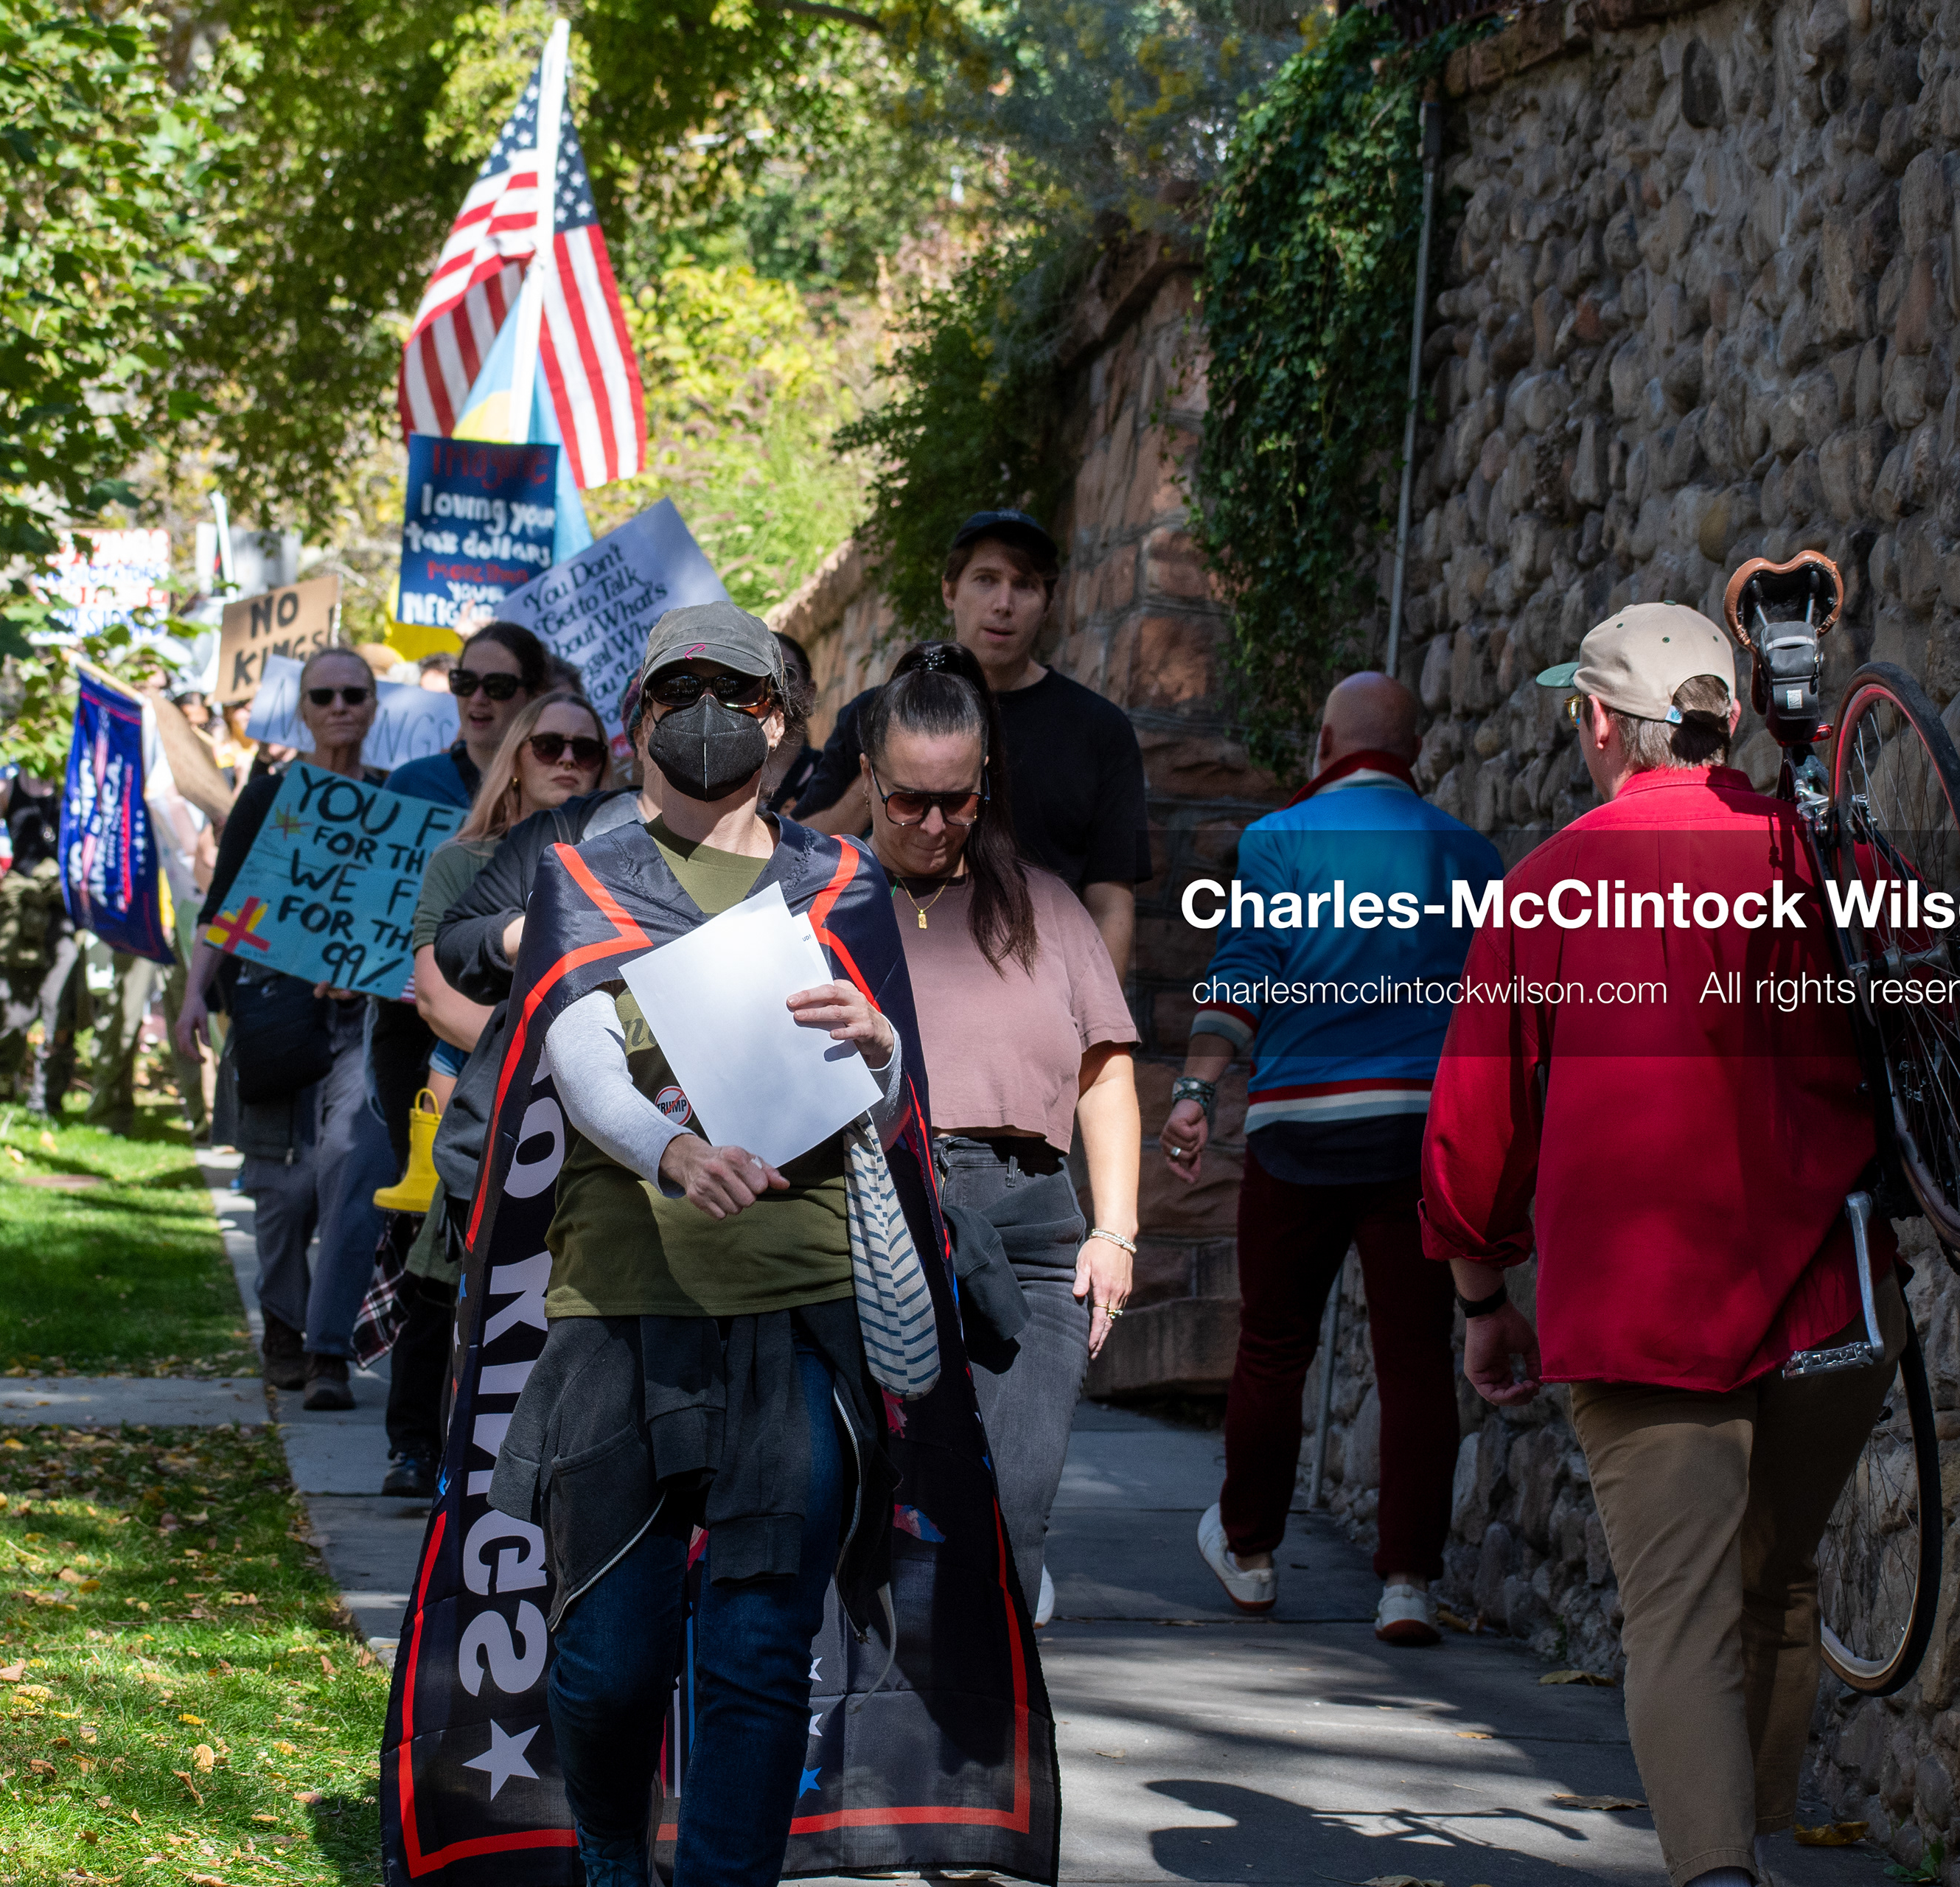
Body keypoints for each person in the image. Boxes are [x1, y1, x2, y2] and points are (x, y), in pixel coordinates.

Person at [456, 601, 1038, 1886]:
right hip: (623, 1314)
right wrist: (669, 1151)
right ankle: (614, 1851)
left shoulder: (842, 886)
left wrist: (882, 1049)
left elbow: (899, 1111)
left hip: (802, 1313)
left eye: (745, 693)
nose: (714, 717)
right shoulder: (581, 880)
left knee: (760, 1653)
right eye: (683, 695)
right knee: (606, 1665)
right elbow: (575, 1053)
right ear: (639, 722)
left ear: (783, 723)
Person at [1420, 605, 1897, 1887]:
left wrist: (1482, 1295)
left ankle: (1719, 1871)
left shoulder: (1550, 886)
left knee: (1678, 1617)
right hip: (1832, 1295)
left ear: (1596, 722)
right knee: (1776, 1581)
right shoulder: (1821, 851)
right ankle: (1763, 1846)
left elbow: (1474, 1135)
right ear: (1730, 716)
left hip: (1645, 1309)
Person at [1159, 672, 1504, 1645]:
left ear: (1323, 741)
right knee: (1413, 1360)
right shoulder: (1469, 856)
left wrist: (1196, 1089)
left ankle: (1252, 1552)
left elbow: (1244, 972)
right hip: (1417, 1137)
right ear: (1417, 753)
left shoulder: (1277, 843)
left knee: (1273, 1346)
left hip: (1296, 1133)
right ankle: (1406, 1583)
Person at [859, 642, 1141, 1625]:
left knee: (1009, 1512)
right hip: (869, 1211)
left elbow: (1106, 1072)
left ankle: (985, 1758)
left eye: (959, 800)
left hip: (1025, 1225)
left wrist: (1116, 1231)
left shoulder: (1046, 905)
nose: (936, 825)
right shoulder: (820, 903)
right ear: (868, 778)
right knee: (867, 1510)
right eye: (908, 802)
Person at [383, 689, 609, 1496]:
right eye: (550, 745)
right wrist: (554, 1053)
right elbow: (438, 997)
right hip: (478, 1102)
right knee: (448, 1289)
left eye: (587, 750)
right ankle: (432, 1459)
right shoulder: (464, 863)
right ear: (515, 754)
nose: (569, 762)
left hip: (584, 1122)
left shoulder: (618, 862)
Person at [795, 511, 1150, 980]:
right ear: (949, 589)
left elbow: (1110, 903)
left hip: (1042, 984)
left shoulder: (1099, 729)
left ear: (1048, 602)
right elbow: (807, 853)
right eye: (985, 579)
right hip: (889, 972)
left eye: (1024, 585)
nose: (1003, 603)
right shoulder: (873, 713)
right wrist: (883, 781)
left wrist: (1098, 1029)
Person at [176, 647, 388, 1406]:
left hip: (358, 1025)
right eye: (323, 695)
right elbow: (225, 907)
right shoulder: (267, 799)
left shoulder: (395, 803)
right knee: (283, 1188)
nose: (338, 707)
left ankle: (330, 1351)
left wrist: (365, 967)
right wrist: (194, 996)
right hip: (271, 1015)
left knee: (348, 1174)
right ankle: (283, 1328)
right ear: (302, 709)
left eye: (353, 694)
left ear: (372, 705)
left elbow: (405, 917)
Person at [0, 765, 79, 1114]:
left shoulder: (74, 783)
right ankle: (4, 1074)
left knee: (60, 1001)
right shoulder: (4, 786)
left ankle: (48, 1098)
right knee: (10, 1002)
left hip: (62, 908)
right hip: (21, 908)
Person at [386, 622, 553, 809]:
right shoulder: (410, 785)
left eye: (497, 685)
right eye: (465, 682)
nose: (477, 698)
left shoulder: (559, 789)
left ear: (536, 695)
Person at [762, 630, 821, 815]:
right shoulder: (716, 778)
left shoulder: (831, 779)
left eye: (786, 673)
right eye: (760, 672)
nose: (774, 684)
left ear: (809, 693)